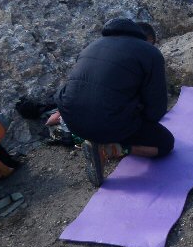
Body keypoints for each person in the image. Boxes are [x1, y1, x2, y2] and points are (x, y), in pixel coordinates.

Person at [54, 18, 174, 187]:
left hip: (71, 119)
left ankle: (88, 138)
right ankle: (111, 149)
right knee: (166, 143)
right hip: (107, 123)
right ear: (147, 39)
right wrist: (138, 113)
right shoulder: (150, 53)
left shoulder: (92, 46)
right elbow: (156, 111)